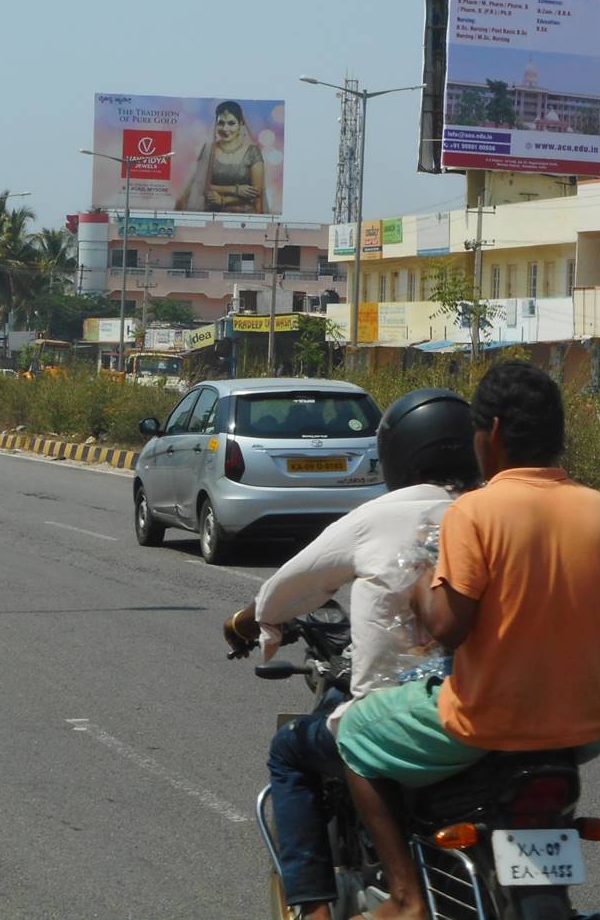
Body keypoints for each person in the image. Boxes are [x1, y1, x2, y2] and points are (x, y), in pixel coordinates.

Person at [335, 361, 600, 920]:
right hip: (589, 729)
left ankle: (407, 899)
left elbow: (448, 627)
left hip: (490, 722)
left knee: (356, 737)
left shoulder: (475, 512)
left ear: (494, 435)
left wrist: (419, 588)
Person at [223, 389, 481, 920]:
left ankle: (313, 909)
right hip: (484, 707)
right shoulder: (489, 514)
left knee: (290, 751)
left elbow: (287, 589)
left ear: (397, 453)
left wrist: (247, 622)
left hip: (406, 715)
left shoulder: (377, 517)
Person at [180, 100, 268, 213]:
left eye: (231, 123)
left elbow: (257, 195)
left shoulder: (253, 152)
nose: (225, 129)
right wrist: (236, 190)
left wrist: (223, 200)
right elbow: (200, 186)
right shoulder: (209, 150)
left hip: (244, 219)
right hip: (211, 216)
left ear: (241, 123)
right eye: (221, 123)